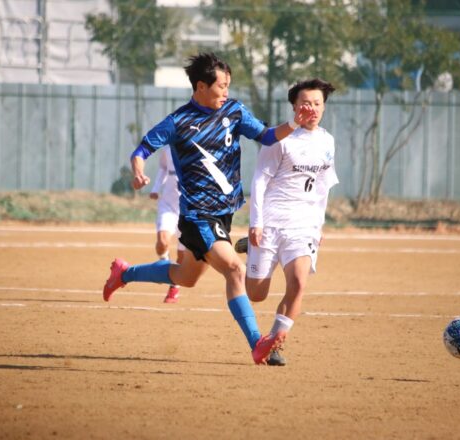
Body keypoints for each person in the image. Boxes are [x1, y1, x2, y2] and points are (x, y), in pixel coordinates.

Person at [102, 52, 310, 364]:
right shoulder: (178, 122)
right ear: (201, 86)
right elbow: (141, 150)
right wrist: (138, 172)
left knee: (185, 277)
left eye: (228, 85)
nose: (226, 91)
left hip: (222, 215)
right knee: (235, 269)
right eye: (221, 86)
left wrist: (295, 123)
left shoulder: (234, 111)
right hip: (197, 215)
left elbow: (267, 136)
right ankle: (258, 344)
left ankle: (124, 273)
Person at [240, 78, 338, 366]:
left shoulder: (327, 141)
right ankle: (250, 251)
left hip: (303, 227)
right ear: (294, 106)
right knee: (256, 294)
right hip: (270, 223)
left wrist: (319, 225)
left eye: (317, 103)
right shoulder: (280, 138)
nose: (312, 109)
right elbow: (259, 181)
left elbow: (323, 187)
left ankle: (273, 343)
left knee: (298, 284)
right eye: (306, 103)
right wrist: (256, 223)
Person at [149, 145, 184, 303]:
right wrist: (156, 188)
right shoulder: (168, 148)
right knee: (162, 243)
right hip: (168, 205)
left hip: (188, 209)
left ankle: (174, 286)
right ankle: (165, 268)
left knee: (182, 256)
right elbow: (163, 167)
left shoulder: (199, 148)